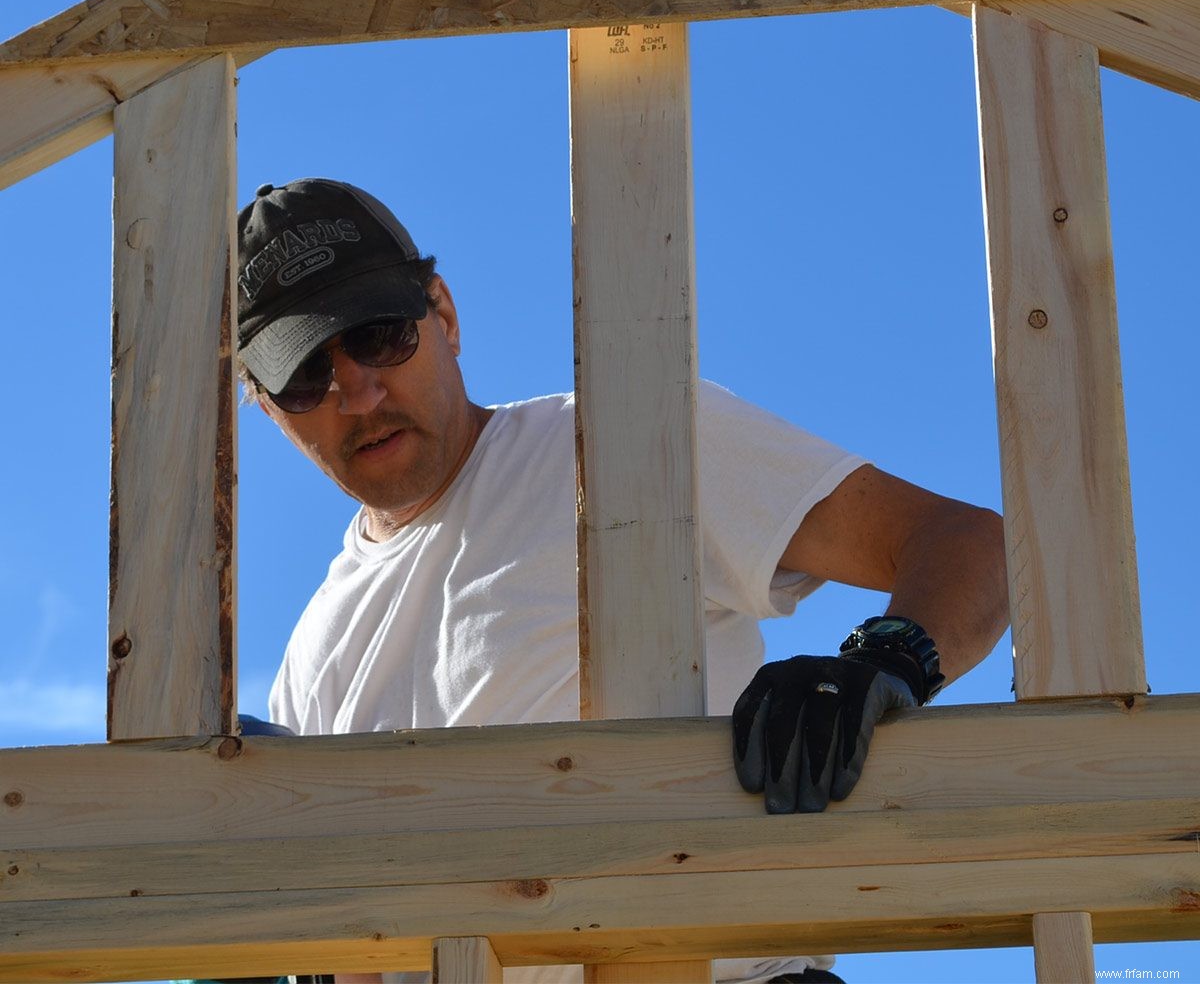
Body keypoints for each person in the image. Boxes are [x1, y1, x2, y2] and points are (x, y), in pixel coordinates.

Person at [237, 178, 1008, 984]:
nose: (357, 391)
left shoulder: (620, 448)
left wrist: (884, 662)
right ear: (264, 406)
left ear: (445, 315)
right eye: (303, 376)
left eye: (380, 336)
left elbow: (968, 543)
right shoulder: (314, 661)